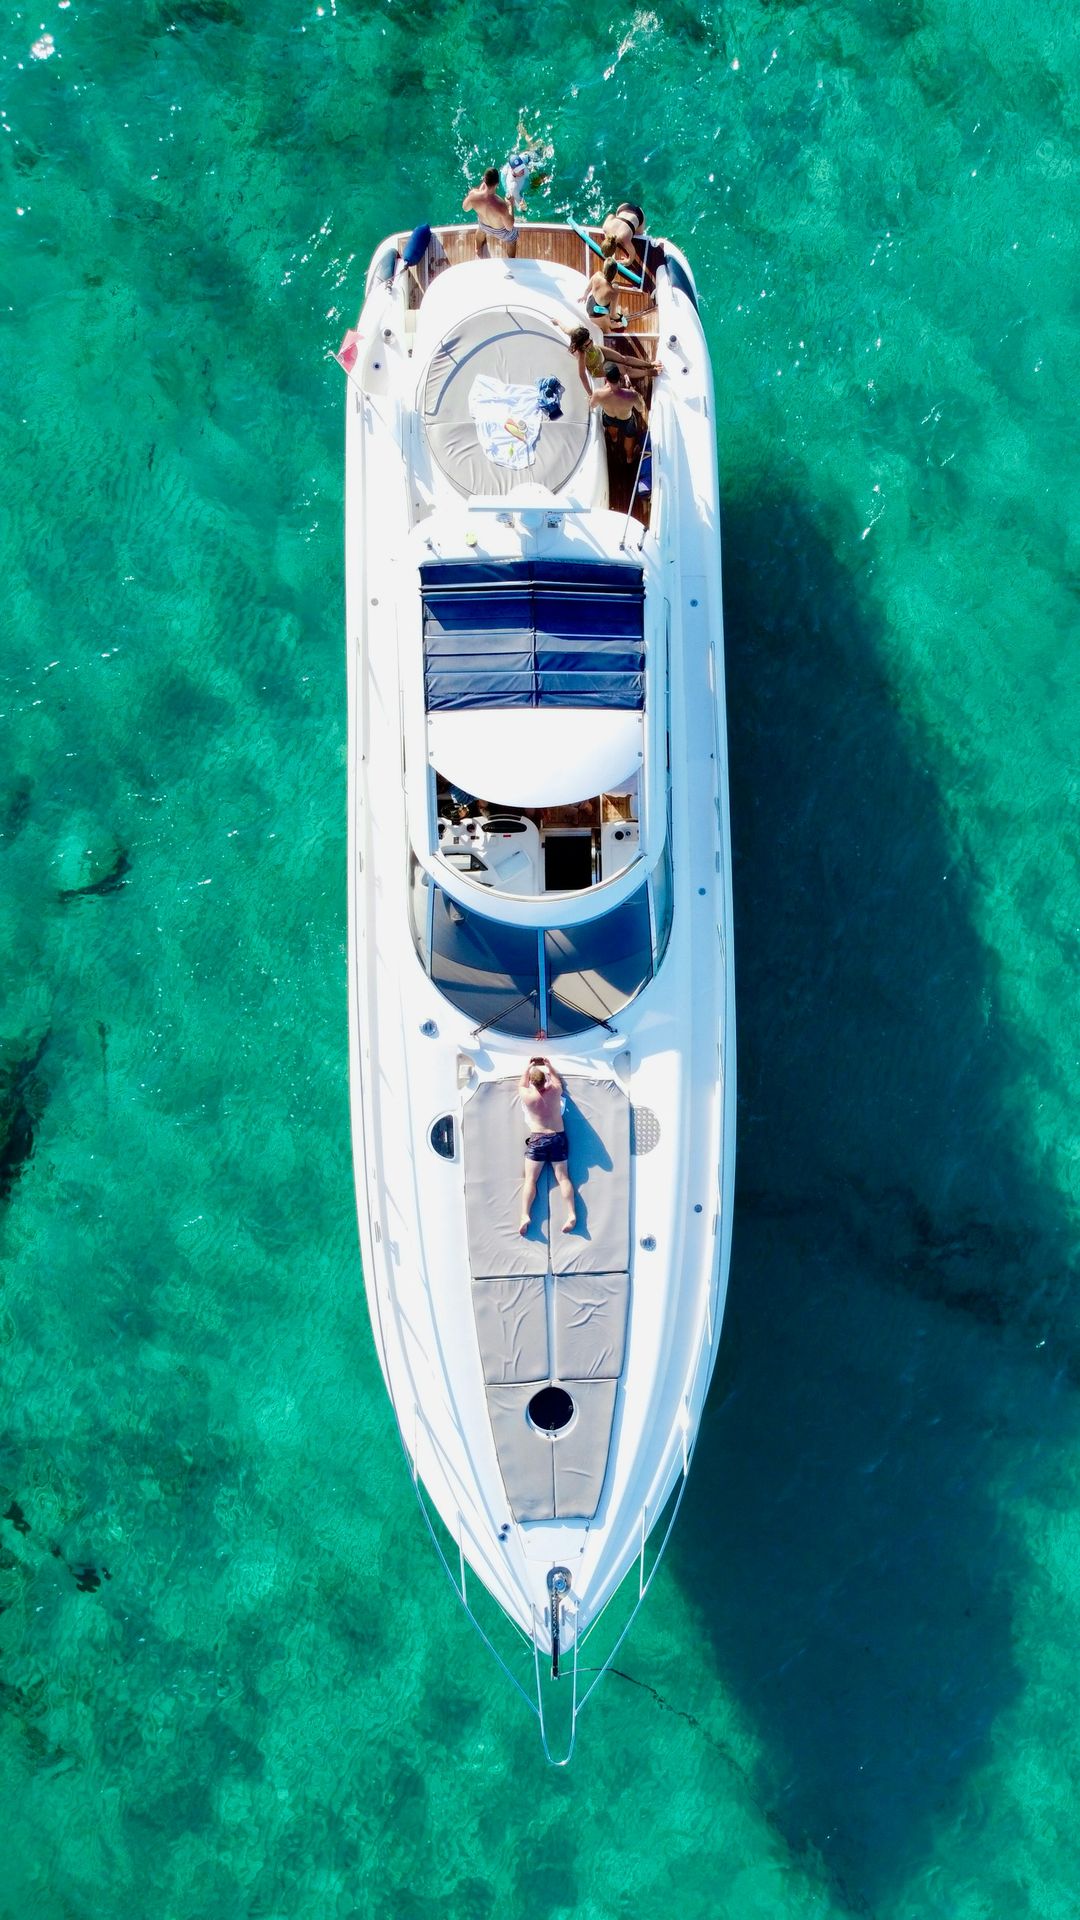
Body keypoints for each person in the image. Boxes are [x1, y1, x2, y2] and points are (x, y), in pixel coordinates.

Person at [518, 1058, 576, 1236]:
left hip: (538, 1139)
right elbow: (556, 1078)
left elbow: (522, 1083)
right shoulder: (556, 1090)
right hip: (557, 1137)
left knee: (530, 1180)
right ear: (545, 1080)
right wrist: (548, 1065)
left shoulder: (528, 1097)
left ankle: (525, 1215)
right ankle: (571, 1214)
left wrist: (529, 1067)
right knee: (563, 1178)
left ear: (532, 1083)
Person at [549, 320, 660, 396]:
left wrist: (557, 322)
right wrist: (590, 394)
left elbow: (564, 328)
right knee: (625, 369)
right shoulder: (581, 355)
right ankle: (649, 373)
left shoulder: (575, 332)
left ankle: (649, 364)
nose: (590, 345)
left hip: (599, 352)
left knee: (623, 358)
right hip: (597, 367)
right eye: (587, 345)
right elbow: (582, 375)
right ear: (580, 346)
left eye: (590, 341)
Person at [589, 362, 649, 463]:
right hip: (626, 420)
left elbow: (592, 405)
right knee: (629, 437)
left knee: (612, 427)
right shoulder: (631, 395)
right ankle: (629, 458)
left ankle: (614, 439)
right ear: (619, 377)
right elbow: (640, 408)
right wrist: (634, 391)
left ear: (606, 379)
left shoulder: (598, 394)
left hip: (609, 417)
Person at [462, 168, 517, 257]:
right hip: (500, 231)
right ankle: (511, 259)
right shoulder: (501, 205)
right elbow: (509, 226)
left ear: (484, 180)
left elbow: (465, 208)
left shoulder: (473, 195)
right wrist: (510, 205)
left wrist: (475, 192)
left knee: (480, 230)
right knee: (512, 239)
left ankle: (477, 249)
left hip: (483, 225)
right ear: (497, 183)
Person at [582, 259, 628, 330]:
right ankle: (610, 325)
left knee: (607, 307)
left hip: (589, 305)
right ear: (616, 272)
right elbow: (612, 315)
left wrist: (584, 296)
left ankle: (607, 320)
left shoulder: (597, 275)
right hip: (596, 315)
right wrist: (621, 317)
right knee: (609, 328)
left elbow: (587, 289)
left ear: (604, 269)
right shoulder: (613, 292)